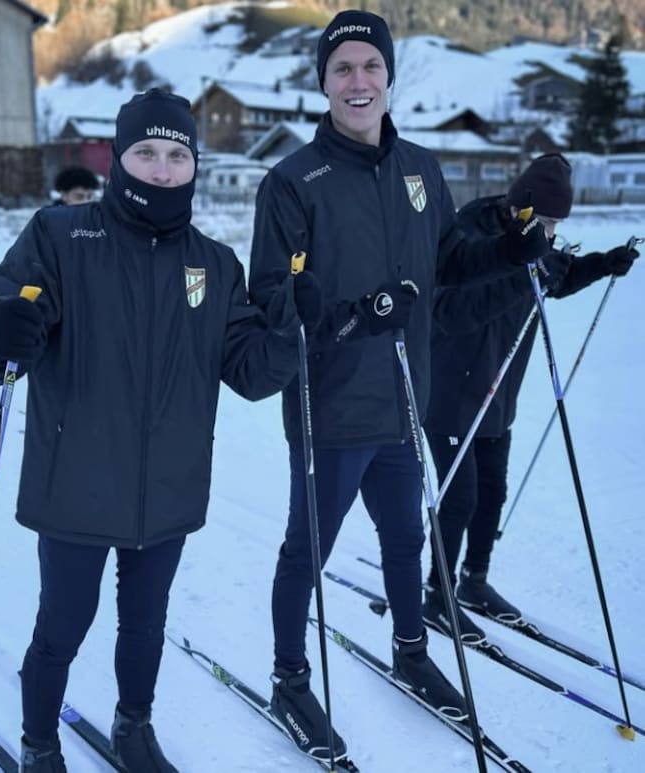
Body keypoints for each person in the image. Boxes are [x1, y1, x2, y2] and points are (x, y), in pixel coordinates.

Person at [0, 88, 321, 773]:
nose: (161, 167)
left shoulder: (215, 265)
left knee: (146, 625)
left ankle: (134, 726)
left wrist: (288, 327)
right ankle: (40, 742)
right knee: (61, 629)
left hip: (169, 490)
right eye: (146, 152)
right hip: (76, 486)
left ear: (194, 164)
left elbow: (248, 371)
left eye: (176, 154)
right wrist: (0, 334)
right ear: (118, 160)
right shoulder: (62, 237)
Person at [248, 9, 552, 763]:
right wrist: (348, 317)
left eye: (370, 67)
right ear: (323, 82)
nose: (358, 82)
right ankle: (290, 678)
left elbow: (445, 261)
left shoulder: (421, 168)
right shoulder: (291, 182)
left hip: (402, 400)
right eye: (342, 69)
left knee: (407, 537)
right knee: (305, 554)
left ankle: (411, 648)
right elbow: (271, 302)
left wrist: (508, 251)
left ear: (389, 76)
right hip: (331, 407)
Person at [422, 153, 640, 644]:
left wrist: (601, 265)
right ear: (517, 207)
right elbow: (451, 313)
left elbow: (554, 281)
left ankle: (474, 581)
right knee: (459, 498)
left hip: (499, 392)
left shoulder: (537, 241)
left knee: (492, 492)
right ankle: (438, 593)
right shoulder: (469, 236)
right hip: (452, 390)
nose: (550, 232)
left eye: (557, 225)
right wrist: (528, 274)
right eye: (544, 222)